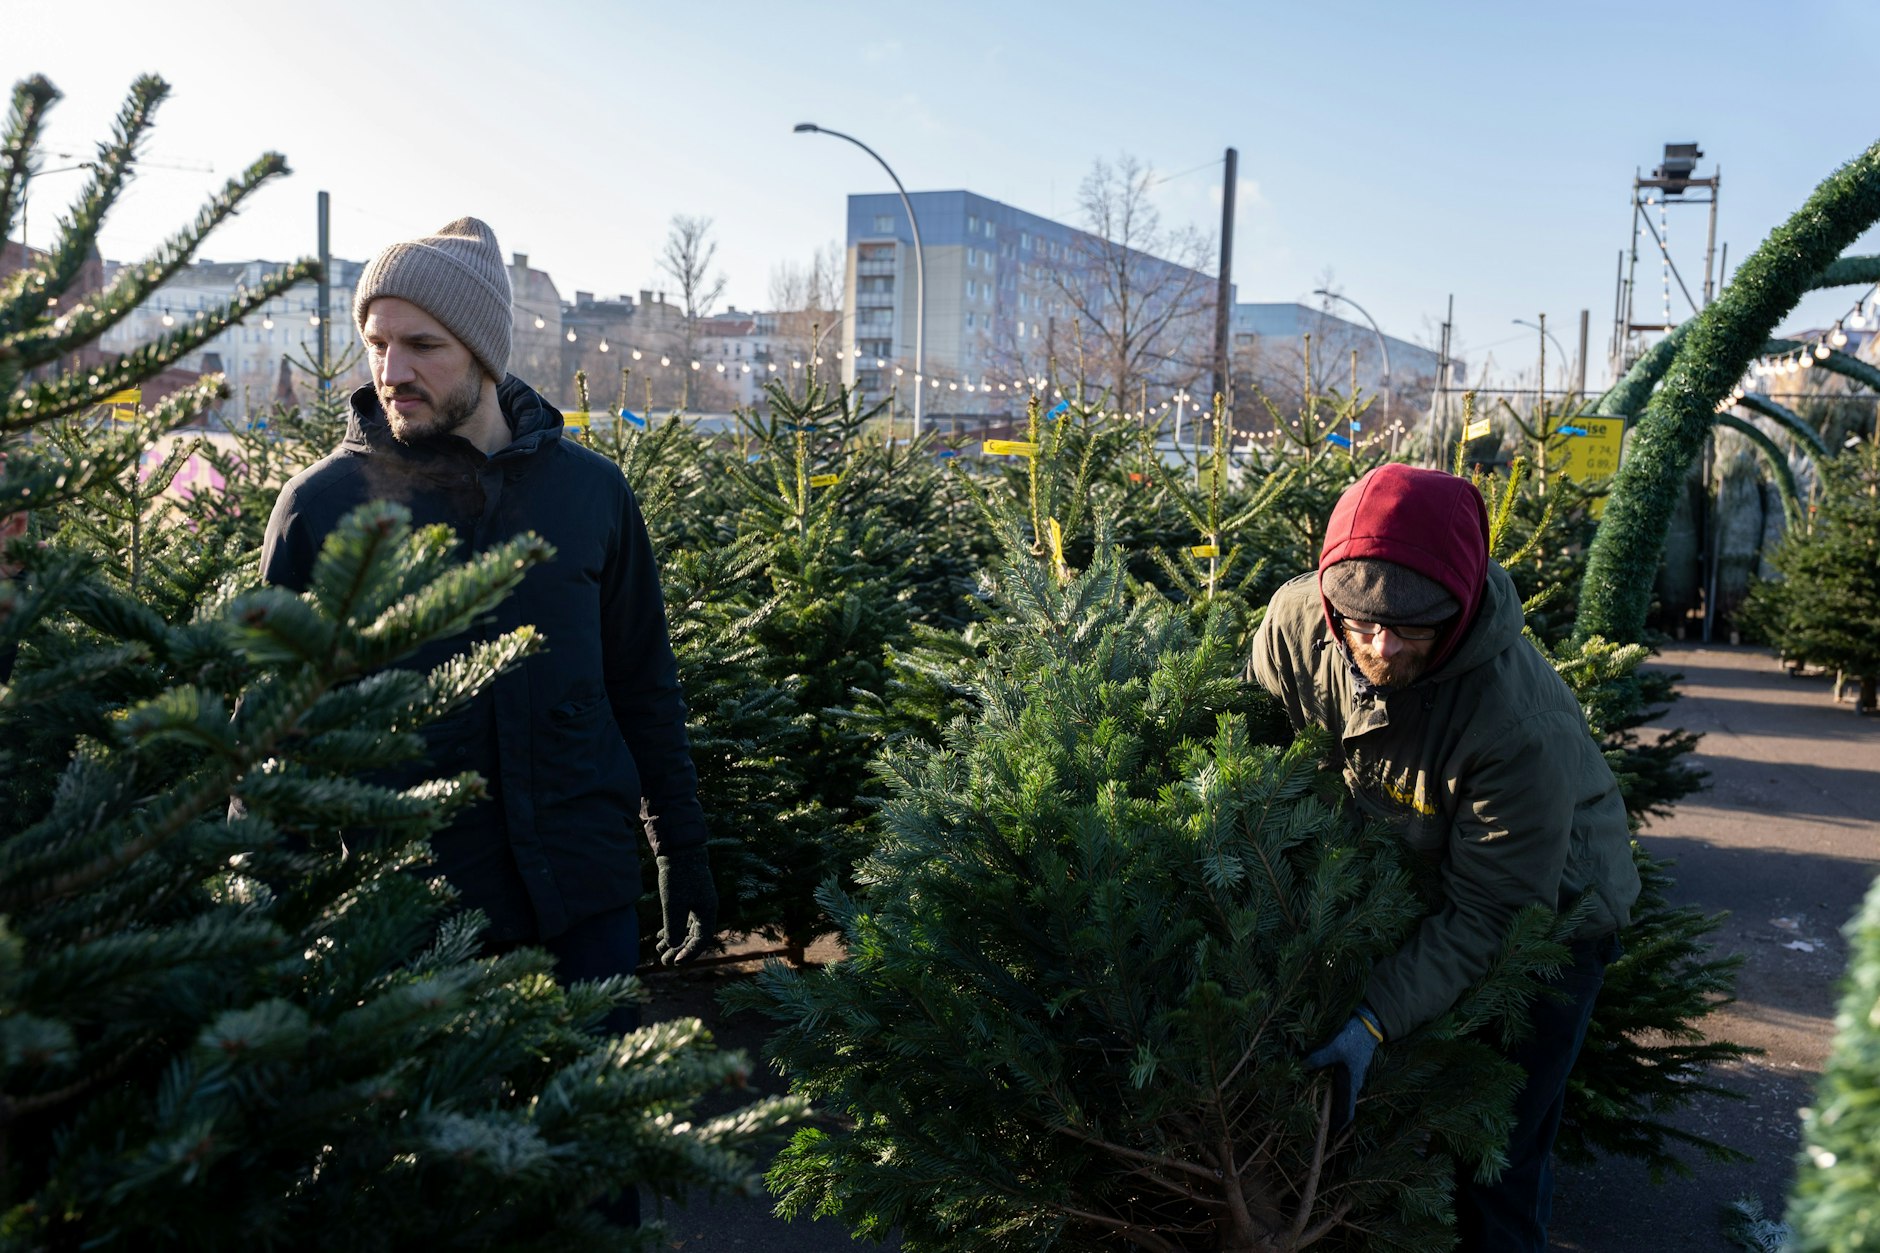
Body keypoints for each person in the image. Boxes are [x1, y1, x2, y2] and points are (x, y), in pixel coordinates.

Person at [259, 218, 719, 1030]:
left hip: (586, 911)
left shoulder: (591, 493)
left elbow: (643, 685)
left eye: (422, 345)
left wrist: (680, 852)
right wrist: (264, 916)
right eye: (376, 343)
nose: (391, 371)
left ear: (482, 351)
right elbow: (274, 735)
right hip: (409, 931)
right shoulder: (322, 508)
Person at [1246, 462, 1639, 1252]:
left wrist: (1372, 1018)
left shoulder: (1511, 725)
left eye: (1412, 625)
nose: (1382, 646)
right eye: (1361, 623)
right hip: (1417, 877)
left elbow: (1494, 910)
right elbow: (1250, 733)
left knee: (1494, 1153)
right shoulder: (1298, 623)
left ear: (1457, 611)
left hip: (1552, 919)